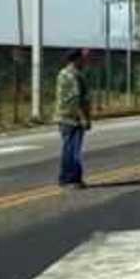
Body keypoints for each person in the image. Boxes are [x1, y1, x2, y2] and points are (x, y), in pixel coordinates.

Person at [55, 48, 91, 188]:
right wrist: (84, 118)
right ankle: (70, 179)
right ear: (76, 59)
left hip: (66, 116)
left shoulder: (65, 73)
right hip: (72, 118)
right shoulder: (72, 75)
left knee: (69, 148)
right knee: (72, 150)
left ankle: (68, 178)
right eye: (83, 58)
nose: (85, 61)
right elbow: (76, 99)